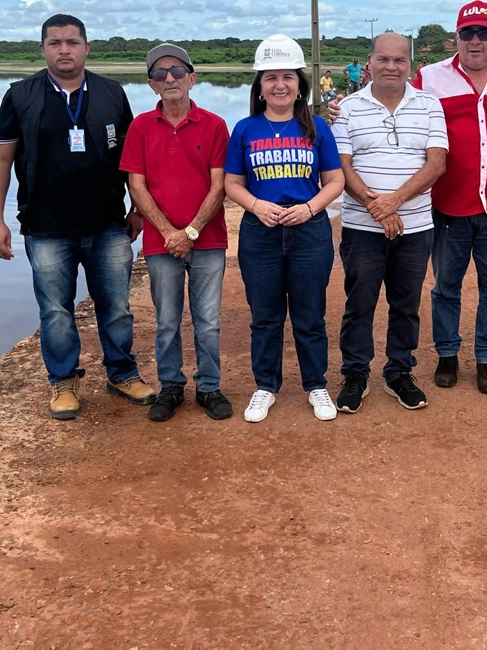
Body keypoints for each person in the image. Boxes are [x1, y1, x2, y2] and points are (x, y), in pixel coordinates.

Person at [0, 13, 154, 420]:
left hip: (109, 224)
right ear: (42, 48)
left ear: (86, 47)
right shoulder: (20, 96)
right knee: (55, 310)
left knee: (116, 305)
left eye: (72, 42)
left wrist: (137, 210)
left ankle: (121, 373)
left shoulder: (112, 93)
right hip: (45, 227)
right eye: (55, 42)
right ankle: (63, 380)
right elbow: (0, 158)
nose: (64, 49)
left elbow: (133, 162)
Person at [412, 0, 487, 393]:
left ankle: (486, 358)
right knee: (446, 285)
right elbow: (391, 106)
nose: (476, 41)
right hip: (448, 203)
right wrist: (345, 110)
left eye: (484, 32)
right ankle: (447, 354)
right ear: (457, 37)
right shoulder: (429, 77)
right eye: (468, 33)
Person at [224, 35, 346, 423]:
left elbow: (335, 180)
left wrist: (310, 209)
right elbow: (232, 183)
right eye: (271, 77)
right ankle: (265, 386)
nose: (280, 85)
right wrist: (257, 206)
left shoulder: (317, 128)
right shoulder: (245, 129)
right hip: (261, 231)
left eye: (288, 77)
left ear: (299, 85)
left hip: (308, 231)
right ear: (259, 87)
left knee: (310, 314)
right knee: (265, 316)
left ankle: (316, 384)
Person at [331, 32, 448, 413]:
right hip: (362, 228)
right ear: (369, 63)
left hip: (414, 227)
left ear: (410, 66)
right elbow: (342, 166)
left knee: (406, 304)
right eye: (383, 59)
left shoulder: (430, 105)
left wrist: (394, 201)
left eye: (399, 60)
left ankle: (399, 371)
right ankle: (355, 374)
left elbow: (436, 163)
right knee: (359, 303)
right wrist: (375, 206)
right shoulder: (347, 107)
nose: (391, 66)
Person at [120, 44, 232, 422]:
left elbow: (219, 185)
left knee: (208, 321)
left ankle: (209, 386)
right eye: (159, 74)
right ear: (151, 85)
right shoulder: (139, 126)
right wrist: (170, 232)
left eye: (177, 72)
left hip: (209, 239)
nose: (169, 79)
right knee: (167, 320)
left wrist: (192, 231)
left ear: (192, 78)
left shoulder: (215, 125)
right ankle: (171, 385)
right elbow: (136, 185)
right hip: (160, 242)